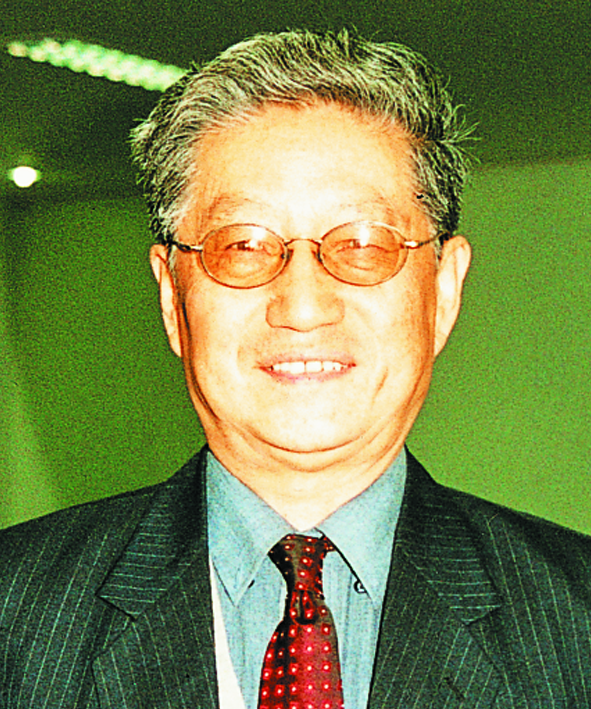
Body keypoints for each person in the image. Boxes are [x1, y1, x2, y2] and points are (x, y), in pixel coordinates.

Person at [1, 29, 590, 709]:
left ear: (443, 291)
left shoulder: (573, 624)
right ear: (172, 298)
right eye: (243, 245)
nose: (303, 306)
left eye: (362, 244)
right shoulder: (17, 616)